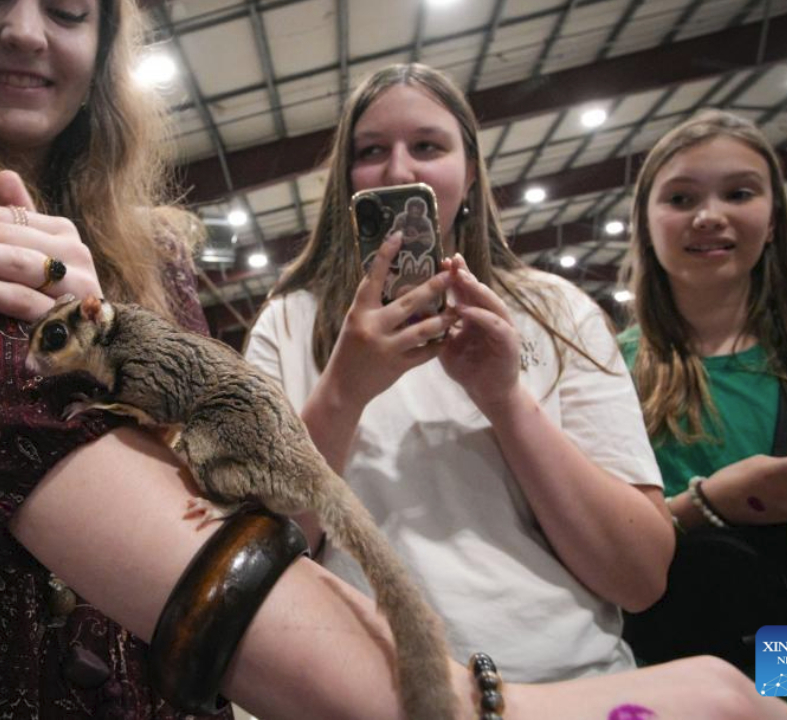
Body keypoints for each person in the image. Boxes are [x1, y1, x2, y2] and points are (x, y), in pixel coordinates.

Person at [0, 0, 787, 715]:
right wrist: (347, 383)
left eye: (69, 7)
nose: (23, 31)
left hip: (216, 671)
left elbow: (214, 482)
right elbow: (19, 430)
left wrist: (505, 396)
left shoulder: (154, 245)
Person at [243, 62, 674, 683]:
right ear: (347, 182)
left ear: (469, 173)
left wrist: (504, 398)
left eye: (427, 146)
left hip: (569, 683)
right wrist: (343, 393)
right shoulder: (289, 323)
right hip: (366, 691)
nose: (398, 171)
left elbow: (638, 577)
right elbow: (262, 551)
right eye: (371, 151)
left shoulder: (558, 312)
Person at [618, 109, 787, 719]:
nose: (709, 214)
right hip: (667, 670)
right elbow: (591, 548)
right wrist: (712, 505)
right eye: (682, 197)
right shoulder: (603, 374)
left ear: (773, 220)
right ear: (646, 224)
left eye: (739, 193)